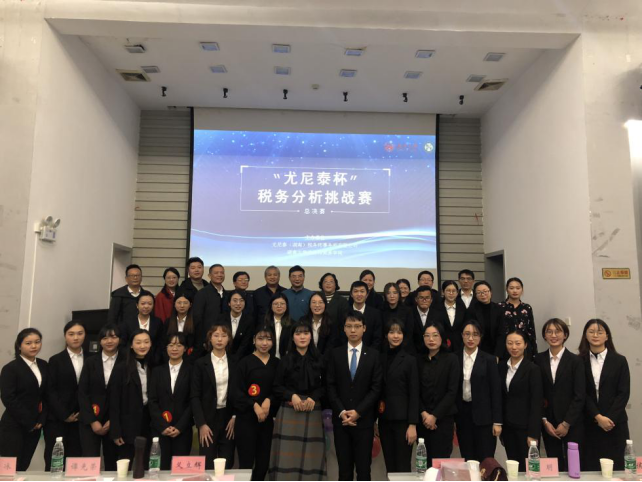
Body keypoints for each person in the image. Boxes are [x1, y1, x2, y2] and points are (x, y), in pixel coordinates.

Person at [326, 313, 382, 481]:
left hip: (364, 422)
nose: (353, 330)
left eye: (357, 326)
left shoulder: (373, 355)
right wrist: (341, 411)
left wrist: (358, 412)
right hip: (341, 421)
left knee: (364, 471)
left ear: (364, 328)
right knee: (344, 471)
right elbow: (330, 386)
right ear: (344, 329)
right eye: (349, 326)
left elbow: (376, 388)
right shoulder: (335, 354)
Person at [269, 321, 327, 481]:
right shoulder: (285, 360)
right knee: (287, 458)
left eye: (306, 333)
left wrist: (314, 397)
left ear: (311, 336)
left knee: (311, 458)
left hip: (312, 410)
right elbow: (276, 386)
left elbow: (326, 386)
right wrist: (291, 396)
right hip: (289, 410)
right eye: (298, 333)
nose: (302, 337)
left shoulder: (320, 359)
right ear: (292, 337)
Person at [579, 319, 630, 471]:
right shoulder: (579, 361)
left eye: (600, 332)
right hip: (589, 422)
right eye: (591, 332)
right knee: (591, 467)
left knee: (617, 467)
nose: (595, 335)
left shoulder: (619, 360)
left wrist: (609, 418)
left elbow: (623, 393)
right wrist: (597, 416)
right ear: (585, 335)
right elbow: (581, 393)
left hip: (615, 423)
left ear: (607, 336)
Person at [535, 318, 585, 471]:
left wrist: (566, 423)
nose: (553, 335)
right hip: (549, 423)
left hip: (572, 422)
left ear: (565, 335)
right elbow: (537, 394)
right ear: (544, 336)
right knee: (554, 466)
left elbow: (580, 395)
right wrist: (545, 421)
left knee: (574, 465)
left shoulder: (576, 361)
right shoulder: (538, 360)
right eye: (549, 332)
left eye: (557, 331)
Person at [235, 325, 279, 481]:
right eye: (260, 338)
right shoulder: (244, 363)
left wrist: (269, 399)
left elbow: (279, 389)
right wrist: (254, 405)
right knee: (246, 465)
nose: (264, 343)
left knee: (263, 465)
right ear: (254, 340)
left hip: (267, 421)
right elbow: (236, 392)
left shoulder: (277, 363)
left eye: (268, 339)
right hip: (246, 420)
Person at [0, 328, 48, 471]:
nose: (34, 346)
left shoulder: (43, 365)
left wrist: (41, 419)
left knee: (23, 466)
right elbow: (8, 398)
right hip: (14, 425)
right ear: (19, 345)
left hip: (36, 426)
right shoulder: (10, 368)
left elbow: (46, 394)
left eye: (37, 342)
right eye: (28, 343)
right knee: (9, 468)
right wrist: (29, 421)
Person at [455, 321, 502, 462]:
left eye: (475, 334)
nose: (471, 338)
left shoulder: (489, 360)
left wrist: (497, 421)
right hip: (462, 416)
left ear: (480, 337)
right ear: (462, 335)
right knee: (467, 458)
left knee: (485, 460)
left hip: (484, 418)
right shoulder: (454, 358)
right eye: (467, 334)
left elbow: (496, 391)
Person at [78, 324, 124, 471]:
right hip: (91, 420)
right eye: (104, 338)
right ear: (99, 341)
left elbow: (127, 396)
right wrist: (92, 421)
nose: (109, 341)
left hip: (115, 421)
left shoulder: (126, 361)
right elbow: (82, 393)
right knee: (90, 462)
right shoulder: (90, 362)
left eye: (113, 337)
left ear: (119, 339)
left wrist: (113, 421)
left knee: (113, 463)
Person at [191, 324, 236, 470]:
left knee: (227, 462)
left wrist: (235, 416)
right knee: (207, 463)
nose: (220, 339)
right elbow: (195, 396)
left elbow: (239, 392)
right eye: (216, 335)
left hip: (228, 418)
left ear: (228, 339)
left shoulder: (235, 362)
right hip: (208, 418)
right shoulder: (200, 363)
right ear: (210, 339)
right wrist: (201, 424)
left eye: (223, 336)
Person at [377, 319, 418, 474]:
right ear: (386, 335)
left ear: (404, 335)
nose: (395, 336)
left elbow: (414, 393)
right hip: (384, 420)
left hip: (403, 422)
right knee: (390, 466)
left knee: (403, 466)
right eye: (392, 332)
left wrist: (412, 424)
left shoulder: (410, 360)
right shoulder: (379, 358)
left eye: (399, 332)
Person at [498, 330, 543, 472]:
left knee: (529, 469)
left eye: (518, 343)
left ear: (525, 345)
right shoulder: (501, 367)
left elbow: (536, 403)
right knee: (513, 467)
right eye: (510, 343)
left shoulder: (532, 369)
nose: (514, 347)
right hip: (508, 427)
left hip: (525, 428)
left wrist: (533, 433)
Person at [44, 321, 86, 470]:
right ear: (65, 336)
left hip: (82, 418)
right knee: (55, 461)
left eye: (80, 333)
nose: (76, 337)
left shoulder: (92, 358)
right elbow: (50, 391)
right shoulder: (55, 360)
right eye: (71, 334)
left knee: (76, 462)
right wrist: (64, 415)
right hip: (58, 419)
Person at [417, 322, 460, 466]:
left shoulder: (451, 359)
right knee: (423, 465)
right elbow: (415, 390)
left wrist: (434, 416)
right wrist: (424, 413)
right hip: (422, 421)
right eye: (427, 336)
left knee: (440, 465)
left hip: (443, 421)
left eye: (435, 335)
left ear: (442, 338)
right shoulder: (418, 360)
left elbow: (452, 392)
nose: (431, 339)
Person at [149, 332, 193, 470]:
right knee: (161, 469)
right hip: (160, 430)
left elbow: (193, 401)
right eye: (171, 345)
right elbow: (152, 401)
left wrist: (180, 427)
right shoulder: (157, 371)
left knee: (180, 470)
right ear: (166, 348)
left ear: (185, 349)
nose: (174, 348)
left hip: (182, 430)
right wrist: (163, 426)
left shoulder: (192, 371)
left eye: (179, 345)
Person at [110, 329, 154, 465]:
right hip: (127, 426)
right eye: (138, 342)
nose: (142, 346)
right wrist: (116, 431)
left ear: (151, 344)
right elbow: (114, 401)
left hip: (148, 423)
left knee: (146, 464)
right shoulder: (121, 368)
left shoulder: (154, 366)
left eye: (146, 342)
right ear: (131, 345)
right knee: (125, 464)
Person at [497, 278, 537, 360]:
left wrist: (534, 352)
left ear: (522, 290)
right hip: (505, 348)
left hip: (524, 348)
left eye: (518, 288)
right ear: (506, 289)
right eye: (511, 288)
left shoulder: (527, 308)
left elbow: (531, 331)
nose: (515, 291)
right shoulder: (499, 307)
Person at [119, 292, 165, 364]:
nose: (146, 306)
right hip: (131, 360)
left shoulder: (157, 322)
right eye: (143, 303)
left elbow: (160, 343)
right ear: (137, 305)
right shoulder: (127, 322)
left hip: (153, 361)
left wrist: (156, 359)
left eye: (150, 304)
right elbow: (123, 343)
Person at [193, 264, 227, 353]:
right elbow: (197, 318)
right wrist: (203, 340)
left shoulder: (227, 295)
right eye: (216, 273)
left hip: (224, 340)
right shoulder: (202, 293)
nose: (219, 275)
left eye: (222, 273)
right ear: (209, 275)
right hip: (206, 341)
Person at [341, 281, 383, 351]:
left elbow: (377, 338)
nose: (359, 294)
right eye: (356, 291)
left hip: (370, 353)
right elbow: (341, 336)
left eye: (362, 291)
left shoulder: (375, 314)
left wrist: (369, 354)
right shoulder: (344, 313)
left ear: (367, 294)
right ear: (351, 294)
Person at [215, 290, 255, 361]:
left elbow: (245, 344)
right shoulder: (221, 319)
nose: (238, 303)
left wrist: (235, 359)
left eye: (241, 300)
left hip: (242, 358)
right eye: (235, 300)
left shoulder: (249, 320)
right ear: (229, 303)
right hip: (222, 356)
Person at [465, 281, 502, 356]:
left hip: (495, 349)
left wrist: (498, 354)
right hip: (477, 349)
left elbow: (501, 333)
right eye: (479, 292)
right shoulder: (471, 310)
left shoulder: (498, 309)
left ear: (490, 292)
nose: (483, 294)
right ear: (475, 295)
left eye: (485, 291)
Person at [381, 282, 415, 353]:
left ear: (399, 294)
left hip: (405, 349)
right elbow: (381, 333)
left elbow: (409, 333)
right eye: (388, 293)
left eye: (395, 293)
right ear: (385, 295)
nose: (392, 296)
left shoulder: (408, 311)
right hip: (385, 348)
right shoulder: (381, 311)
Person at [165, 293, 197, 364]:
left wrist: (188, 360)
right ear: (174, 304)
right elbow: (163, 343)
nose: (182, 306)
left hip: (191, 360)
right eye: (179, 303)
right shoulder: (168, 322)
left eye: (185, 303)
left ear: (190, 305)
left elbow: (198, 345)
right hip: (170, 359)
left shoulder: (196, 322)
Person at [411, 286, 443, 355]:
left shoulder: (438, 315)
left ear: (431, 300)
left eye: (427, 298)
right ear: (416, 299)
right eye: (421, 298)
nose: (424, 300)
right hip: (413, 353)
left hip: (433, 353)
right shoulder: (409, 314)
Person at [441, 281, 467, 354]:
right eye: (448, 291)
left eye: (454, 291)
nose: (451, 293)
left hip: (460, 345)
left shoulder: (462, 308)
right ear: (443, 292)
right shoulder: (437, 308)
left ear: (457, 293)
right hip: (442, 345)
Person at [265, 292, 292, 359]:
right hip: (267, 359)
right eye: (275, 304)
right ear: (271, 306)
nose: (279, 306)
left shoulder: (293, 324)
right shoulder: (264, 323)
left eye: (282, 303)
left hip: (286, 360)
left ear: (286, 306)